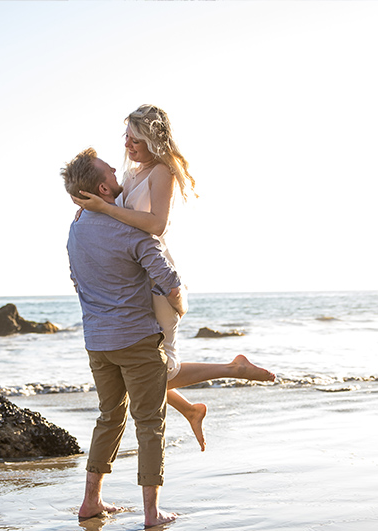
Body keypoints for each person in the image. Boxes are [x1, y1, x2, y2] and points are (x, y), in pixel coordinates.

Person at [72, 105, 275, 452]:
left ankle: (232, 369)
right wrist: (90, 208)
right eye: (127, 137)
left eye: (136, 139)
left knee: (156, 369)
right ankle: (190, 408)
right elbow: (117, 209)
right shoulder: (133, 171)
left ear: (153, 139)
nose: (128, 144)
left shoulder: (162, 171)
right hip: (138, 278)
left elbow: (155, 225)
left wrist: (104, 209)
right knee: (147, 366)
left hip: (157, 276)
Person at [62, 147, 184, 528]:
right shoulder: (131, 230)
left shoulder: (76, 228)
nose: (117, 169)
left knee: (109, 417)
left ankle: (91, 502)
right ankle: (152, 513)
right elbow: (168, 280)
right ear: (102, 186)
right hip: (136, 339)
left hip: (97, 342)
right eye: (109, 170)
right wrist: (178, 310)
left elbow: (75, 279)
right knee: (149, 423)